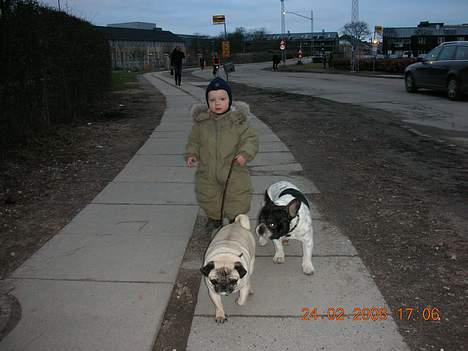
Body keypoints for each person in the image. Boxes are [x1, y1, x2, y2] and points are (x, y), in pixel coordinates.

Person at [185, 77, 258, 232]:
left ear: (229, 100)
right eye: (212, 100)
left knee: (237, 196)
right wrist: (192, 153)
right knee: (208, 196)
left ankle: (234, 219)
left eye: (222, 99)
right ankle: (214, 218)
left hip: (233, 169)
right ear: (207, 102)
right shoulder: (202, 123)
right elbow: (194, 141)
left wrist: (245, 153)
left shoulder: (238, 122)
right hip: (208, 170)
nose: (217, 103)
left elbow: (250, 139)